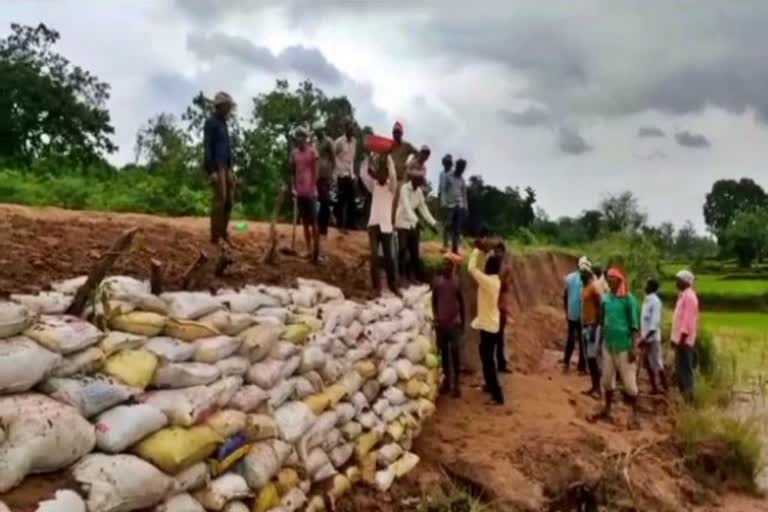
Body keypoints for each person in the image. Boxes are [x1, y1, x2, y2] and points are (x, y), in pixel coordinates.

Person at [592, 268, 640, 429]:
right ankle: (607, 409)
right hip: (608, 344)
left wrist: (634, 347)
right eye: (608, 278)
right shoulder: (606, 298)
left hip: (624, 346)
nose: (610, 280)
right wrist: (599, 343)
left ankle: (634, 415)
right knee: (606, 380)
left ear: (619, 281)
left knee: (629, 384)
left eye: (613, 278)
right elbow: (602, 321)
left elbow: (634, 326)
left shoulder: (628, 300)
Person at [468, 240, 504, 406]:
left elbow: (471, 269)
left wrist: (476, 251)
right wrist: (486, 252)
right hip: (490, 325)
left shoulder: (488, 282)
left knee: (488, 360)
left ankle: (497, 396)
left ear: (489, 268)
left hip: (489, 327)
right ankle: (489, 386)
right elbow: (486, 266)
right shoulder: (494, 280)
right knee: (485, 355)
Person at [395, 146, 438, 283]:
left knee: (414, 251)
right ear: (413, 179)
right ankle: (401, 276)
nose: (421, 183)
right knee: (402, 250)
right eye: (419, 180)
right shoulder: (404, 189)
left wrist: (433, 223)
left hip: (413, 224)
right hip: (402, 221)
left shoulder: (418, 191)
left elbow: (423, 208)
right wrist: (417, 221)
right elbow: (407, 207)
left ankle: (413, 277)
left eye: (421, 180)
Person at [360, 150, 399, 296]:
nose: (381, 175)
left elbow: (394, 175)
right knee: (374, 257)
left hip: (387, 227)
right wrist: (367, 158)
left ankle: (393, 285)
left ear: (387, 174)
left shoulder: (391, 187)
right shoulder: (374, 185)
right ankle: (376, 287)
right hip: (373, 225)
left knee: (389, 258)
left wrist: (388, 157)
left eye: (384, 172)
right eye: (379, 172)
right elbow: (363, 174)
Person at [203, 91, 235, 248]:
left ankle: (223, 232)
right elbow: (207, 147)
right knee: (220, 200)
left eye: (230, 106)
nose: (229, 109)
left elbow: (227, 147)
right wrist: (211, 171)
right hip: (216, 165)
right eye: (227, 106)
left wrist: (231, 168)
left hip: (226, 165)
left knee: (229, 200)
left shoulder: (224, 123)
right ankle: (215, 236)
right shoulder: (211, 122)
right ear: (220, 106)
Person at [432, 252, 465, 398]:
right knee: (444, 354)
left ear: (453, 267)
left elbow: (462, 303)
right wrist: (436, 316)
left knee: (455, 352)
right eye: (445, 264)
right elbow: (434, 300)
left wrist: (462, 321)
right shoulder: (438, 282)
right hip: (442, 324)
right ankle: (447, 382)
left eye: (449, 264)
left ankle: (457, 384)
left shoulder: (457, 282)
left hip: (454, 323)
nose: (447, 267)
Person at [289, 127, 320, 263]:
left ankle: (316, 251)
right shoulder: (294, 153)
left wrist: (313, 185)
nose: (299, 138)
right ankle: (308, 250)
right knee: (305, 223)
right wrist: (292, 188)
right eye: (298, 136)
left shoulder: (313, 152)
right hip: (300, 192)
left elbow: (317, 171)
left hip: (311, 192)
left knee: (314, 222)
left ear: (306, 138)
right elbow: (291, 172)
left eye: (302, 136)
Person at [671, 270, 699, 403]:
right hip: (680, 340)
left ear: (686, 282)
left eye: (678, 280)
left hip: (684, 341)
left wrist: (680, 340)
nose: (676, 282)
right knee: (680, 371)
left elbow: (687, 322)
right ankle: (685, 400)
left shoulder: (690, 297)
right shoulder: (683, 296)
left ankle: (689, 402)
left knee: (685, 372)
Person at [580, 261, 603, 398]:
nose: (580, 276)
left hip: (593, 326)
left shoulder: (593, 287)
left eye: (583, 274)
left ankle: (598, 389)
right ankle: (594, 387)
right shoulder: (585, 287)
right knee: (590, 359)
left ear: (588, 274)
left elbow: (600, 307)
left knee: (593, 358)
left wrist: (595, 326)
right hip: (587, 325)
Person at [641, 278, 667, 395]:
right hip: (646, 337)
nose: (644, 286)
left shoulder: (655, 302)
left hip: (652, 338)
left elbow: (654, 324)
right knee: (647, 362)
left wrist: (645, 338)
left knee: (656, 363)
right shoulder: (646, 301)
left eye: (646, 285)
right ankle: (655, 387)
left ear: (651, 287)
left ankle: (663, 387)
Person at [563, 257, 589, 373]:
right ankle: (581, 366)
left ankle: (566, 363)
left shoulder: (569, 278)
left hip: (572, 313)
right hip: (581, 314)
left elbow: (565, 295)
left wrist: (566, 311)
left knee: (571, 339)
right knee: (583, 341)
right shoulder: (586, 279)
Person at [334, 119, 357, 233]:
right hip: (341, 174)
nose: (352, 130)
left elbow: (352, 159)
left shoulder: (354, 142)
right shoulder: (339, 141)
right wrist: (337, 172)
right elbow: (334, 156)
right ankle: (339, 225)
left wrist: (353, 174)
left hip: (350, 174)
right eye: (350, 127)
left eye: (353, 128)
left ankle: (351, 224)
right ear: (346, 129)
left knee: (352, 200)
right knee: (341, 200)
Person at [313, 121, 335, 237]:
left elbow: (333, 159)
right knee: (316, 202)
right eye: (316, 132)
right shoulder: (315, 143)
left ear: (322, 130)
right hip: (316, 176)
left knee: (325, 202)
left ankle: (323, 229)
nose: (317, 134)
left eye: (318, 131)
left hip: (326, 176)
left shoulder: (329, 142)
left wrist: (332, 175)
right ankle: (316, 227)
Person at [443, 158, 469, 253]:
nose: (462, 169)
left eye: (463, 168)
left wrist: (466, 207)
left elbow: (464, 194)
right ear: (457, 166)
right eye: (460, 167)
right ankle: (445, 245)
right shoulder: (449, 176)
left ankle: (454, 248)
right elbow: (444, 191)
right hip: (450, 205)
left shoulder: (462, 180)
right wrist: (444, 203)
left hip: (460, 205)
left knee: (457, 229)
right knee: (448, 225)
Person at [494, 242, 512, 373]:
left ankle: (501, 363)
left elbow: (505, 286)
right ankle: (498, 364)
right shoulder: (491, 268)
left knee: (499, 337)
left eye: (499, 252)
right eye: (496, 252)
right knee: (493, 339)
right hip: (492, 308)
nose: (497, 254)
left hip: (501, 307)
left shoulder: (506, 269)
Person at [438, 154, 454, 249]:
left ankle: (451, 243)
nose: (446, 165)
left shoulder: (453, 174)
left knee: (450, 223)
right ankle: (445, 244)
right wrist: (439, 197)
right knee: (445, 223)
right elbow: (440, 187)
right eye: (445, 163)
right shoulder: (441, 174)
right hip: (443, 201)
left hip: (451, 202)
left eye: (448, 163)